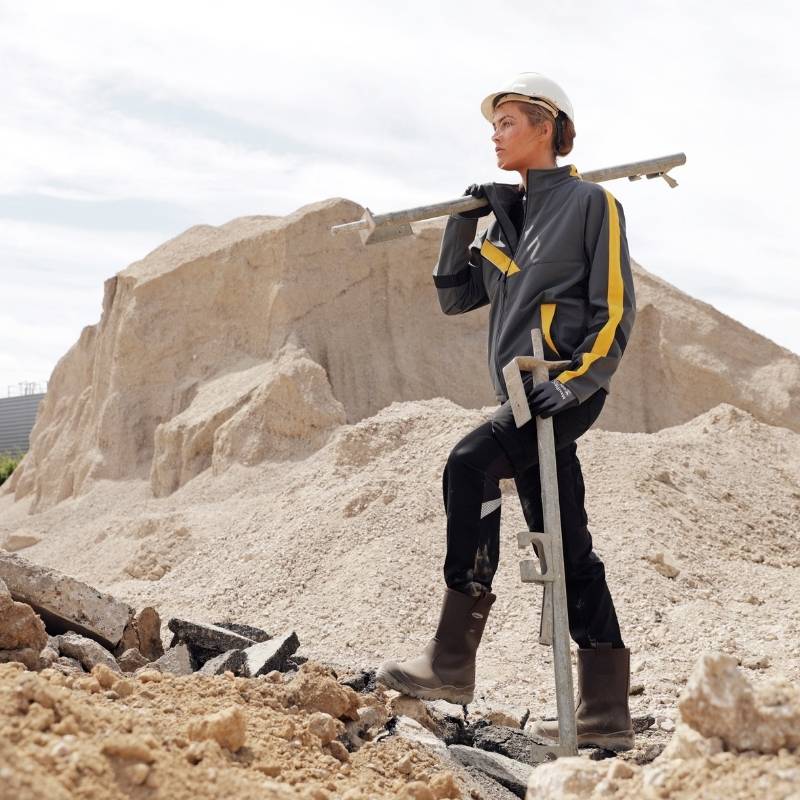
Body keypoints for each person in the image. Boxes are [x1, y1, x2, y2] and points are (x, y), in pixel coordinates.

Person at [376, 72, 637, 752]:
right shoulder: (505, 223)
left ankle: (452, 661)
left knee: (469, 464)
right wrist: (462, 226)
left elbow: (614, 310)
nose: (494, 135)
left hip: (560, 389)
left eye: (507, 123)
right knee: (565, 541)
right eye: (492, 126)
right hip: (516, 397)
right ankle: (607, 708)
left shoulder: (591, 206)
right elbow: (456, 298)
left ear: (546, 127)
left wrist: (576, 384)